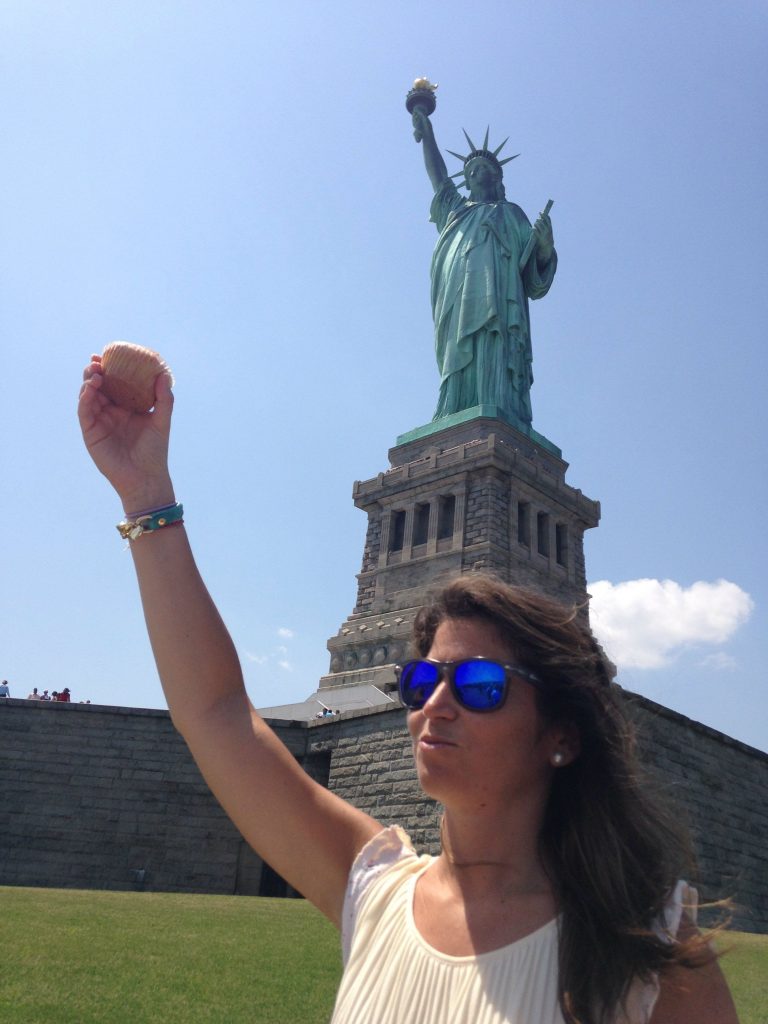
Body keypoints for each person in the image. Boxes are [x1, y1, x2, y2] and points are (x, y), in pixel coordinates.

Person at [78, 360, 738, 1024]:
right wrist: (146, 498)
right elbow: (217, 713)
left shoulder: (650, 955)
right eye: (421, 682)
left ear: (562, 734)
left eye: (481, 686)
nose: (434, 706)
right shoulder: (375, 891)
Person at [411, 108, 557, 429]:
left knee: (494, 349)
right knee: (456, 351)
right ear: (465, 180)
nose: (478, 172)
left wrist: (544, 247)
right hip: (457, 295)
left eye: (485, 168)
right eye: (472, 169)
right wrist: (428, 134)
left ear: (497, 177)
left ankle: (498, 403)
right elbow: (438, 178)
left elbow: (533, 280)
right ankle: (453, 408)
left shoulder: (512, 214)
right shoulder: (455, 210)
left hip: (500, 305)